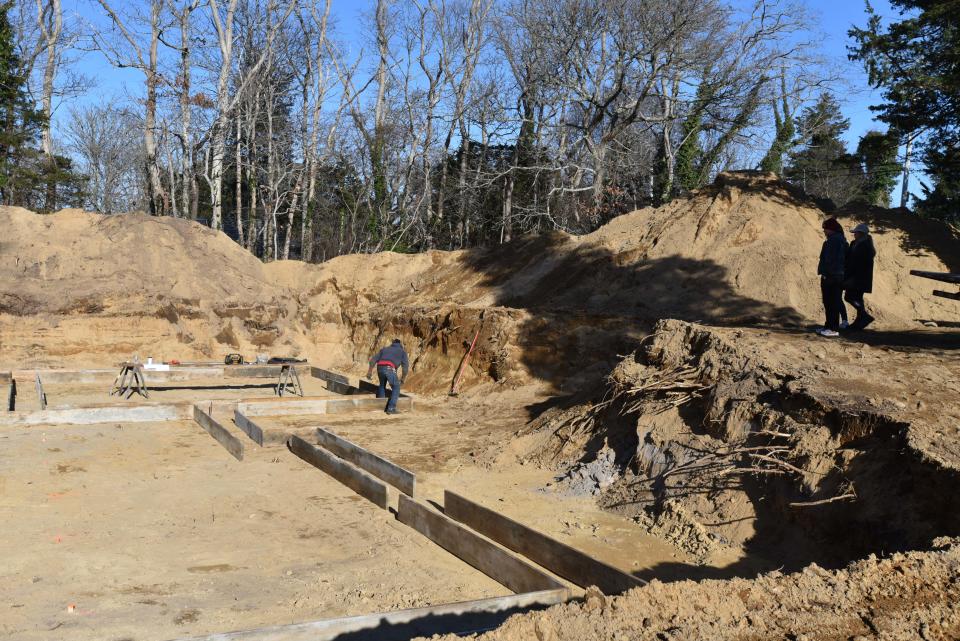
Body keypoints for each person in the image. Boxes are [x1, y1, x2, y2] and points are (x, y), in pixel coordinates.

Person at [817, 217, 848, 337]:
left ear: (831, 229)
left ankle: (833, 328)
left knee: (832, 303)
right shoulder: (838, 240)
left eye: (825, 228)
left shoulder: (834, 240)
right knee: (829, 302)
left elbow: (831, 259)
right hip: (834, 275)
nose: (824, 231)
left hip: (833, 276)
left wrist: (828, 274)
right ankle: (828, 326)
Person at [843, 222, 876, 331]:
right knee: (857, 298)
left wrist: (852, 275)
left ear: (861, 234)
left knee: (849, 297)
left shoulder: (866, 246)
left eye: (856, 233)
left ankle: (863, 315)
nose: (854, 234)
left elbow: (860, 263)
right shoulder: (854, 243)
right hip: (854, 276)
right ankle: (860, 320)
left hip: (859, 277)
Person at [366, 339, 409, 414]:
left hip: (380, 367)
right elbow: (405, 367)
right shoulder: (402, 352)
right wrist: (403, 379)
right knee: (396, 387)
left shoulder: (384, 349)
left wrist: (369, 372)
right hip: (389, 368)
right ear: (400, 345)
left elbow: (373, 360)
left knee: (382, 385)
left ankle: (381, 406)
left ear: (392, 344)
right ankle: (391, 408)